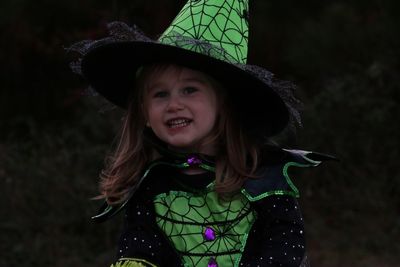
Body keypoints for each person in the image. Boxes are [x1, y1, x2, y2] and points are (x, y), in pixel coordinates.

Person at [70, 1, 334, 266]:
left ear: (224, 104)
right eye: (160, 94)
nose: (174, 105)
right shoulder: (150, 186)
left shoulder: (265, 175)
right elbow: (140, 247)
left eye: (190, 90)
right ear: (145, 114)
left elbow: (285, 243)